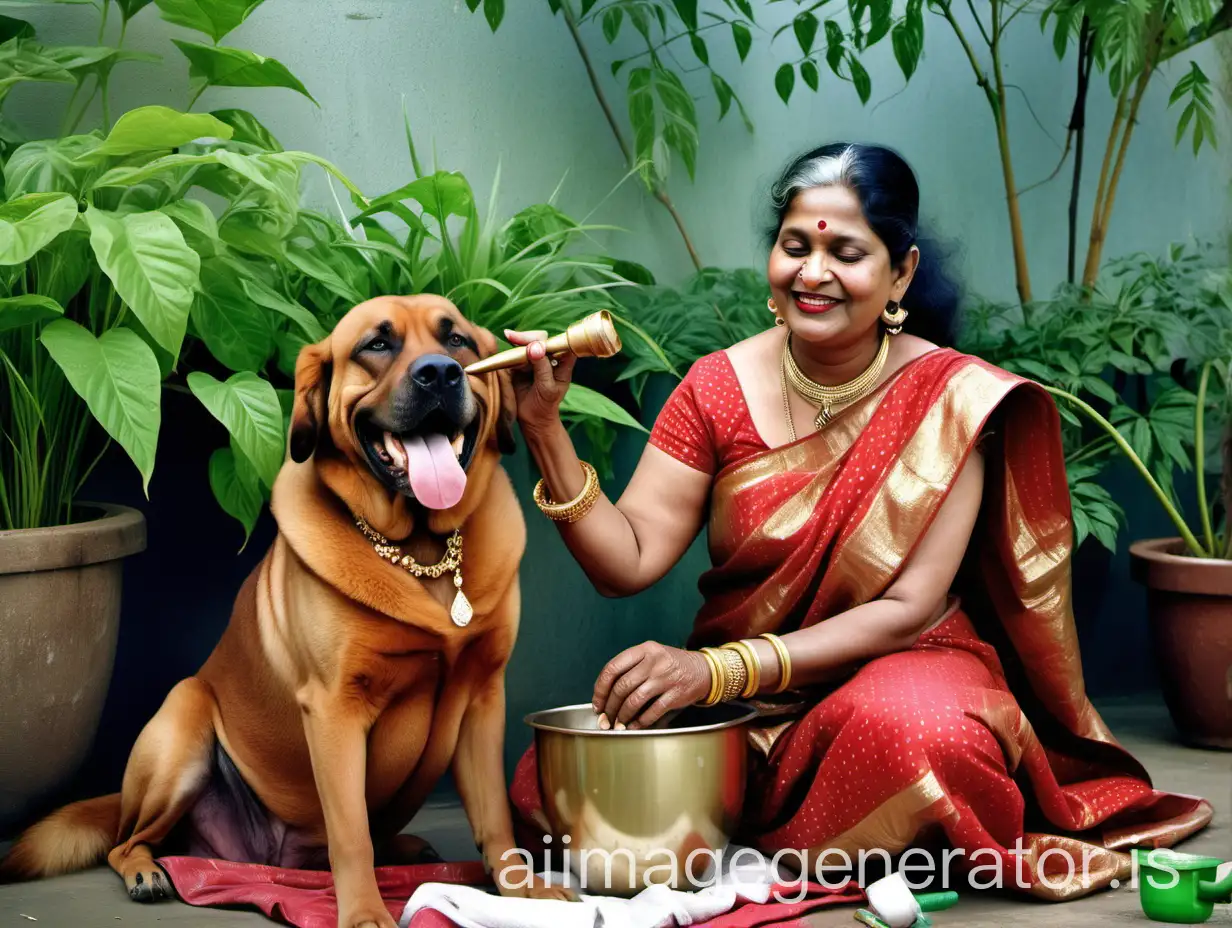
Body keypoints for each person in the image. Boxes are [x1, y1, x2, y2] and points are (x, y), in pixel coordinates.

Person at [502, 142, 1211, 899]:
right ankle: (834, 842)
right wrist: (547, 430)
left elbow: (908, 611)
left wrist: (715, 667)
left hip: (895, 673)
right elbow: (627, 562)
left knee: (925, 733)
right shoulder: (716, 386)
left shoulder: (949, 398)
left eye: (846, 252)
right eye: (795, 246)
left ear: (899, 272)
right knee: (546, 783)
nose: (812, 273)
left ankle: (750, 834)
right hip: (741, 710)